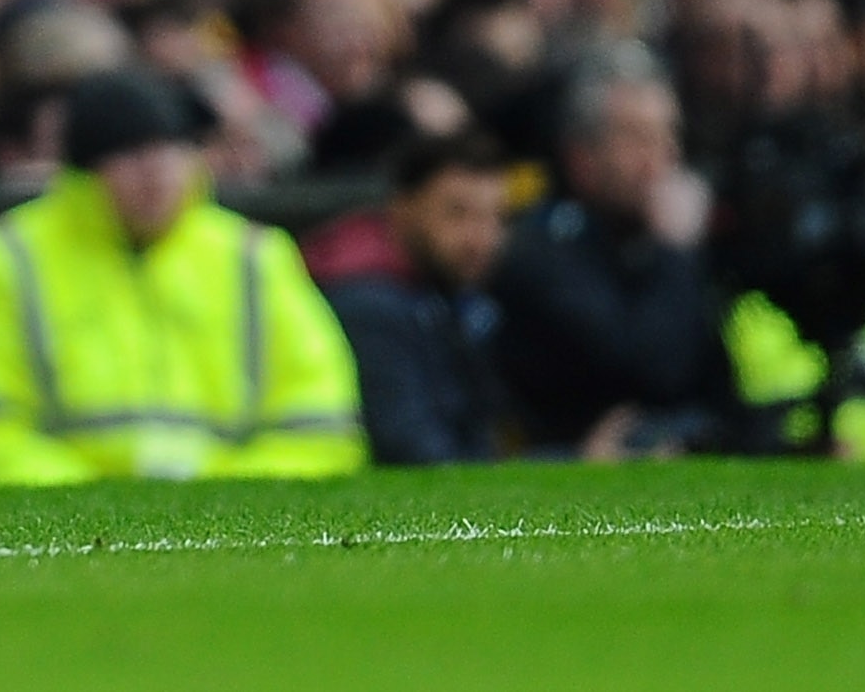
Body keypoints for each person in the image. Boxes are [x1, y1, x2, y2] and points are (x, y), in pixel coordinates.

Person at [0, 69, 364, 482]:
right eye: (130, 153)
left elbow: (320, 421)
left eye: (174, 150)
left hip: (227, 523)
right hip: (60, 531)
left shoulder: (255, 256)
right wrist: (86, 504)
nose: (158, 173)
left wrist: (224, 495)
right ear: (86, 169)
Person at [490, 49, 730, 455]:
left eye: (668, 135)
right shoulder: (542, 250)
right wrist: (675, 252)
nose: (661, 157)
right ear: (581, 159)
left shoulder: (659, 245)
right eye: (636, 137)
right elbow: (650, 371)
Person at [309, 131, 513, 464]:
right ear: (402, 207)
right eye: (457, 214)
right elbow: (415, 452)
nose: (481, 238)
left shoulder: (441, 294)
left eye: (495, 217)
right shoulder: (368, 301)